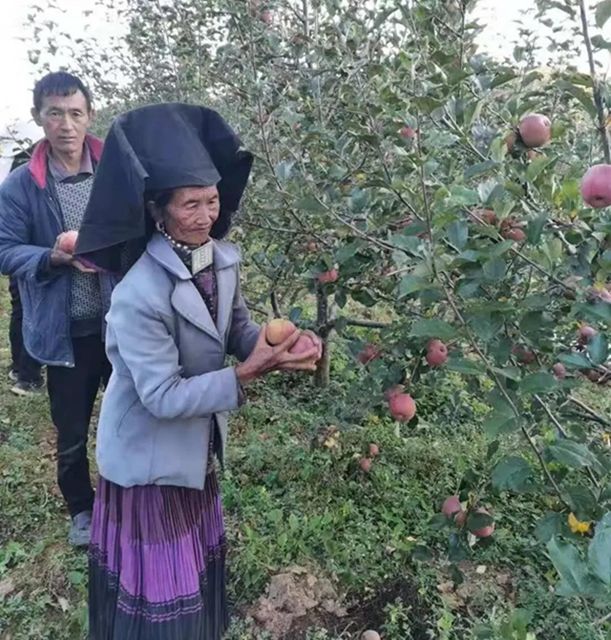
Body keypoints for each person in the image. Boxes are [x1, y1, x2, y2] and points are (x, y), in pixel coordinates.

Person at [76, 103, 321, 639]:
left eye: (212, 201)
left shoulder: (223, 259)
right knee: (159, 586)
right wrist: (246, 376)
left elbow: (237, 330)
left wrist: (280, 345)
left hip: (194, 446)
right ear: (157, 211)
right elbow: (161, 397)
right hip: (149, 457)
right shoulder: (138, 293)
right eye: (190, 204)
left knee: (189, 566)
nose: (205, 215)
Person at [0, 71, 111, 547]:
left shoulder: (118, 172)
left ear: (89, 115)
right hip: (65, 332)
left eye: (75, 113)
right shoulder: (23, 185)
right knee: (70, 433)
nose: (66, 124)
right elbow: (5, 250)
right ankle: (82, 510)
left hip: (121, 324)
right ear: (38, 117)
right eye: (55, 113)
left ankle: (130, 498)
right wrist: (50, 257)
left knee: (133, 419)